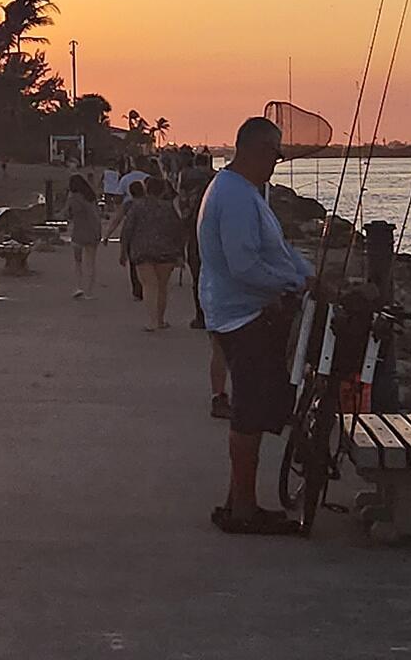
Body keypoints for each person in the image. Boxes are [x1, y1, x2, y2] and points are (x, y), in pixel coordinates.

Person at [199, 116, 312, 536]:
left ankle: (237, 500)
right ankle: (244, 509)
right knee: (248, 413)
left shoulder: (242, 191)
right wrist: (295, 282)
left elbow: (275, 249)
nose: (276, 163)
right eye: (275, 154)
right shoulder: (235, 196)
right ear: (255, 150)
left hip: (241, 312)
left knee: (255, 409)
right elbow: (244, 265)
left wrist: (306, 274)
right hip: (243, 318)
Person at [178, 148, 230, 417]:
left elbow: (182, 210)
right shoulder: (215, 182)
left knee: (198, 279)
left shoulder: (187, 181)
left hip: (195, 242)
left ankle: (201, 316)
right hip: (221, 271)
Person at [122, 177, 187, 330]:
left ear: (146, 189)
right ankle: (160, 319)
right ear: (163, 191)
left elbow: (128, 229)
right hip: (166, 251)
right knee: (162, 287)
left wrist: (124, 251)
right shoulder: (168, 208)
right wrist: (180, 253)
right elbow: (178, 230)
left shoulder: (137, 207)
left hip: (142, 250)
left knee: (149, 286)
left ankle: (152, 321)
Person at [105, 162, 152, 299]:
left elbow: (118, 221)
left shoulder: (128, 204)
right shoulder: (151, 202)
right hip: (149, 236)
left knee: (134, 264)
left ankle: (138, 290)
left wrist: (107, 235)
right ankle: (148, 287)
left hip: (134, 238)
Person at [65, 174, 101, 298]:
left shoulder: (73, 198)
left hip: (78, 232)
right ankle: (89, 291)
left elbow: (67, 214)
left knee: (78, 261)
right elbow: (97, 214)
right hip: (93, 231)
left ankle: (78, 286)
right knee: (91, 263)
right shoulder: (91, 197)